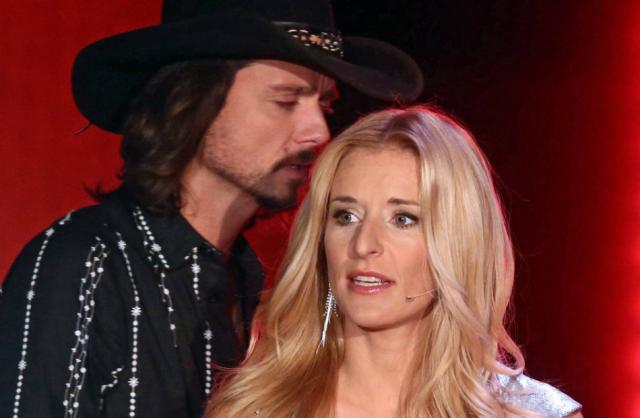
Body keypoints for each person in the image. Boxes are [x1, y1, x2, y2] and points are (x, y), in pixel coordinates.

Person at [0, 1, 423, 417]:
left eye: (324, 105)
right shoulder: (87, 263)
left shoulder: (252, 284)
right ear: (194, 101)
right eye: (286, 100)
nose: (318, 132)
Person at [206, 106, 583, 417]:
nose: (363, 245)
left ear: (459, 240)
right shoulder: (256, 409)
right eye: (346, 216)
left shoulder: (532, 413)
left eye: (403, 219)